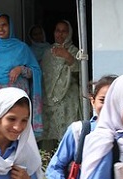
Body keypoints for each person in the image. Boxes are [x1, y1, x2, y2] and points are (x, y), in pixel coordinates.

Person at [0, 14, 44, 137]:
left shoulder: (22, 48)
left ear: (10, 27)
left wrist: (21, 69)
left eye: (4, 25)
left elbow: (35, 72)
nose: (1, 29)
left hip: (17, 103)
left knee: (17, 133)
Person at [41, 20, 81, 150]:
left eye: (64, 31)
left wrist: (68, 57)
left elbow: (81, 71)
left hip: (68, 100)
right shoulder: (48, 52)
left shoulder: (75, 51)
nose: (60, 34)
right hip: (49, 101)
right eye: (58, 30)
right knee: (50, 137)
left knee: (67, 134)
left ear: (69, 33)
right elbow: (43, 75)